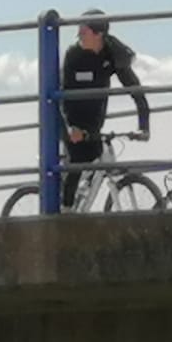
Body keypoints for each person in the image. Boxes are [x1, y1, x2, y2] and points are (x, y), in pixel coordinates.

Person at [61, 12, 151, 209]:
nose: (79, 35)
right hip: (71, 118)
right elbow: (62, 95)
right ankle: (64, 215)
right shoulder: (73, 55)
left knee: (96, 157)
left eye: (83, 31)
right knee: (77, 161)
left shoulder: (112, 54)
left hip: (94, 119)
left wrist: (144, 125)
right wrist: (70, 127)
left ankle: (80, 200)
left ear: (98, 34)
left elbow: (135, 90)